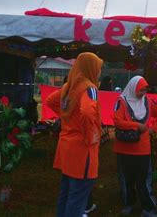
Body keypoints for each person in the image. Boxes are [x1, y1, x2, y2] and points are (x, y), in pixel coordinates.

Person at [46, 52, 103, 217]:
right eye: (98, 68)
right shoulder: (90, 88)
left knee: (66, 194)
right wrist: (89, 133)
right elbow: (86, 112)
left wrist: (67, 116)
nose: (99, 72)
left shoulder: (68, 87)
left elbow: (50, 100)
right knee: (78, 198)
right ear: (90, 68)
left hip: (66, 148)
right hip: (82, 151)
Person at [113, 76, 157, 217]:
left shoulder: (147, 101)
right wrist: (137, 126)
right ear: (132, 88)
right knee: (127, 179)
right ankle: (129, 203)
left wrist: (153, 129)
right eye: (140, 90)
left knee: (143, 180)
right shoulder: (121, 101)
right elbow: (117, 121)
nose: (143, 93)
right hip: (124, 148)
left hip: (142, 148)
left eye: (145, 90)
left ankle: (148, 208)